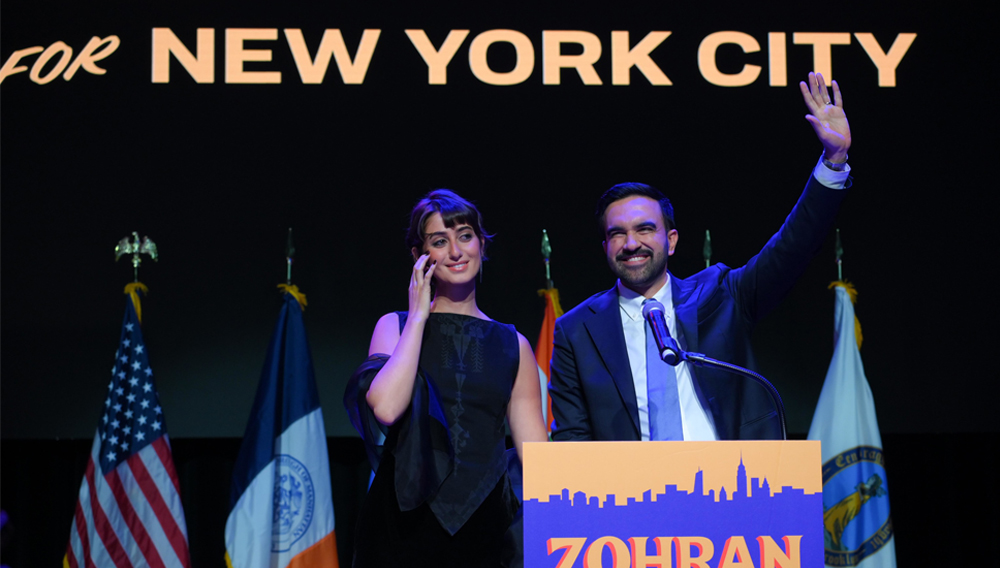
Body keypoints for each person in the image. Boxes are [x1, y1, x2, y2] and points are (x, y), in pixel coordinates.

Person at [548, 72, 852, 442]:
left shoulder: (721, 295)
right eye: (617, 234)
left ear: (671, 240)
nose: (631, 243)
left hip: (731, 487)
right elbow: (571, 439)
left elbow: (792, 247)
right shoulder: (577, 329)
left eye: (645, 229)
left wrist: (833, 161)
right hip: (630, 495)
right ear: (605, 248)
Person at [344, 189, 548, 567]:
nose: (456, 251)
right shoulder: (396, 326)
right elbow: (387, 408)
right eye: (440, 241)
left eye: (465, 236)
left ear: (481, 245)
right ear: (420, 255)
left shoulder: (512, 344)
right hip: (402, 526)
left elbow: (537, 456)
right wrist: (419, 317)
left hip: (485, 527)